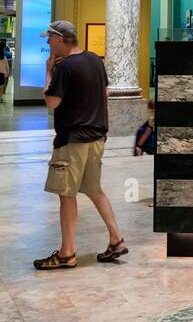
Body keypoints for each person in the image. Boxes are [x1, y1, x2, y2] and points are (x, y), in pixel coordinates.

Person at [34, 20, 126, 270]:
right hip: (96, 138)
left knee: (67, 195)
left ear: (60, 39)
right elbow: (105, 94)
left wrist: (49, 71)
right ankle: (116, 240)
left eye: (50, 39)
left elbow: (51, 102)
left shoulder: (64, 68)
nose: (47, 43)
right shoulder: (94, 59)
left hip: (72, 140)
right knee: (95, 190)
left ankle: (66, 253)